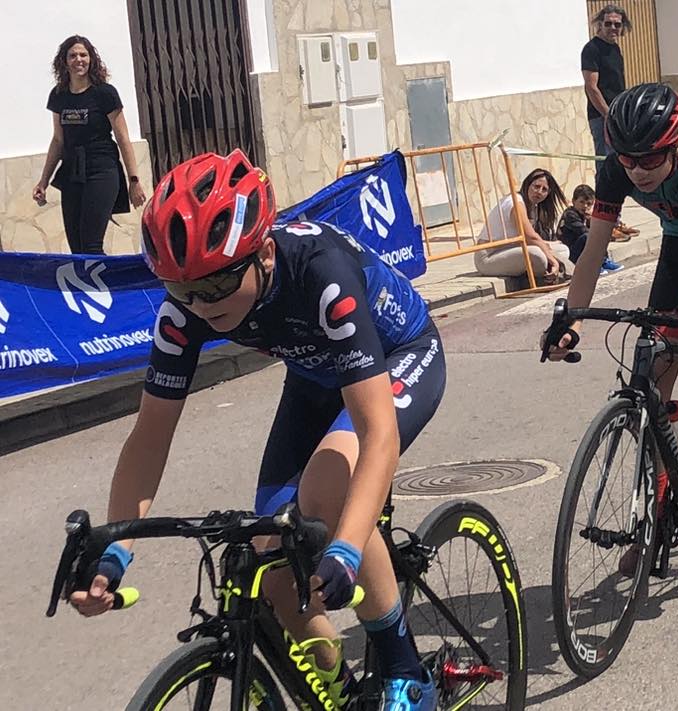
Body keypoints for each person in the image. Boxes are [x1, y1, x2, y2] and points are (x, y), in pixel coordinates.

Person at [67, 150, 445, 710]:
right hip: (316, 377)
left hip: (399, 357)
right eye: (180, 289)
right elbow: (149, 437)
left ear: (263, 254)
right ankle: (338, 695)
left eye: (217, 284)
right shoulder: (187, 309)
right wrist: (114, 548)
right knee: (272, 565)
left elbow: (378, 436)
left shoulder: (321, 274)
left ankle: (404, 670)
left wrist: (342, 548)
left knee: (324, 494)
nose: (199, 304)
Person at [542, 84, 678, 573]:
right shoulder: (615, 169)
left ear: (674, 146)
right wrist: (571, 321)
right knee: (655, 365)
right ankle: (659, 512)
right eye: (628, 161)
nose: (637, 171)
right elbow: (593, 252)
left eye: (649, 161)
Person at [33, 35, 146, 255]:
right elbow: (58, 140)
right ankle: (85, 287)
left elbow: (123, 138)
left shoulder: (105, 93)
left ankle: (103, 288)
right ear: (64, 61)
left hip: (102, 169)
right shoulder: (59, 95)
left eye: (83, 55)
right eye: (73, 55)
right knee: (77, 247)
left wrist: (134, 180)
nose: (79, 60)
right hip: (72, 172)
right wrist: (43, 181)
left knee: (91, 244)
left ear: (91, 59)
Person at [474, 168, 571, 284]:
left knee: (563, 249)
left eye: (544, 189)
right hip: (489, 257)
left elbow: (530, 238)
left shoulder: (532, 206)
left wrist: (548, 246)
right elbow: (530, 237)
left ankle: (552, 273)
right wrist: (553, 260)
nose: (539, 191)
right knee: (537, 254)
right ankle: (543, 278)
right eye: (536, 186)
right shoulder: (515, 202)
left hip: (510, 248)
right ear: (527, 185)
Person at [582, 4, 630, 182]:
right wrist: (607, 114)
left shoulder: (615, 49)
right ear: (600, 24)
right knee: (605, 161)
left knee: (619, 160)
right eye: (608, 23)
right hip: (601, 116)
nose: (613, 28)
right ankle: (604, 203)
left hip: (617, 114)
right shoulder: (592, 49)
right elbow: (592, 87)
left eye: (617, 24)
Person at [557, 184, 624, 275]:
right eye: (581, 202)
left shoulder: (584, 215)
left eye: (588, 204)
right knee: (589, 235)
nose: (585, 206)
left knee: (598, 233)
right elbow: (583, 231)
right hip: (570, 252)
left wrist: (592, 220)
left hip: (581, 250)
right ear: (573, 201)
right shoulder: (570, 214)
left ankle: (603, 261)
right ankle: (596, 264)